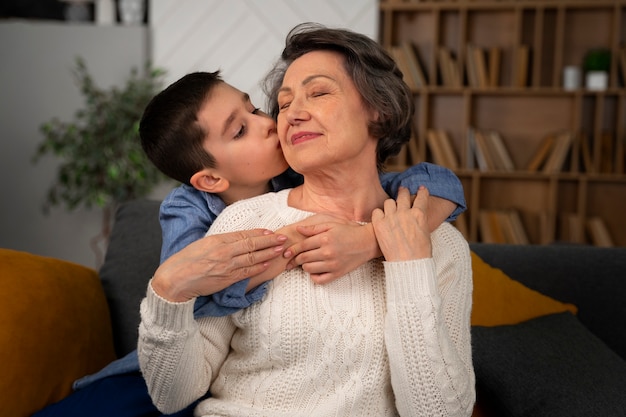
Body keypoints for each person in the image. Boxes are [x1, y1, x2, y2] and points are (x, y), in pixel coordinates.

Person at [33, 72, 466, 417]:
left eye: (258, 109)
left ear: (377, 112)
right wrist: (290, 246)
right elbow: (199, 285)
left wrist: (375, 238)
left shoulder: (301, 172)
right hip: (161, 362)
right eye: (242, 129)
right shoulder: (195, 209)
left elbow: (437, 183)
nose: (272, 122)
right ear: (212, 179)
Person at [138, 22, 475, 417]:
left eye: (317, 93)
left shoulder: (440, 242)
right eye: (283, 103)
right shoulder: (241, 219)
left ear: (379, 110)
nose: (291, 114)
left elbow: (440, 413)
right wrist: (166, 291)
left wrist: (404, 261)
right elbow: (172, 395)